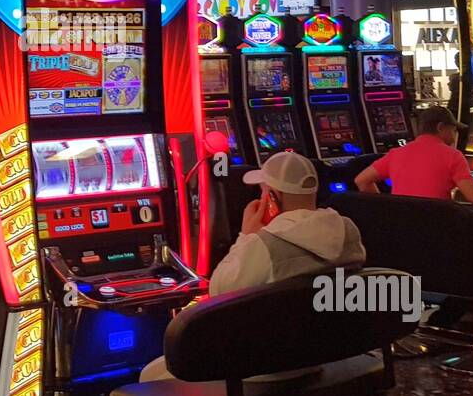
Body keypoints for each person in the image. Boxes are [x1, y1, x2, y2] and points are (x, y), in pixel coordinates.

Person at [139, 151, 366, 382]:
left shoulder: (266, 245)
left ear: (272, 199)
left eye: (262, 191)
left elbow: (219, 292)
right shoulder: (347, 231)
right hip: (327, 354)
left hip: (262, 366)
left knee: (149, 375)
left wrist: (246, 236)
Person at [355, 106, 473, 205]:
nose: (454, 136)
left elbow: (361, 180)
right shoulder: (452, 156)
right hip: (439, 231)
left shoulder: (396, 153)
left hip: (402, 232)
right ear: (441, 128)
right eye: (453, 130)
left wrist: (388, 207)